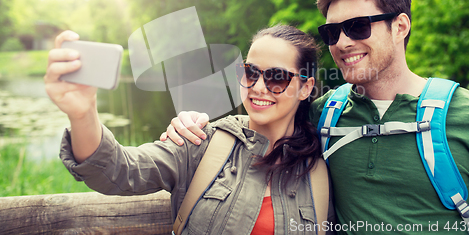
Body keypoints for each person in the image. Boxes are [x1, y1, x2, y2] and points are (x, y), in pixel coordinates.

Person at [162, 0, 469, 234]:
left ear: (400, 27)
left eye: (357, 26)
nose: (341, 42)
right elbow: (258, 120)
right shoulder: (321, 115)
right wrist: (191, 124)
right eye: (332, 32)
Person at [45, 25, 335, 235]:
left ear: (305, 87)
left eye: (277, 78)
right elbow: (118, 171)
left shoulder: (320, 171)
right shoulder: (201, 141)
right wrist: (83, 114)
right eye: (250, 72)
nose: (258, 87)